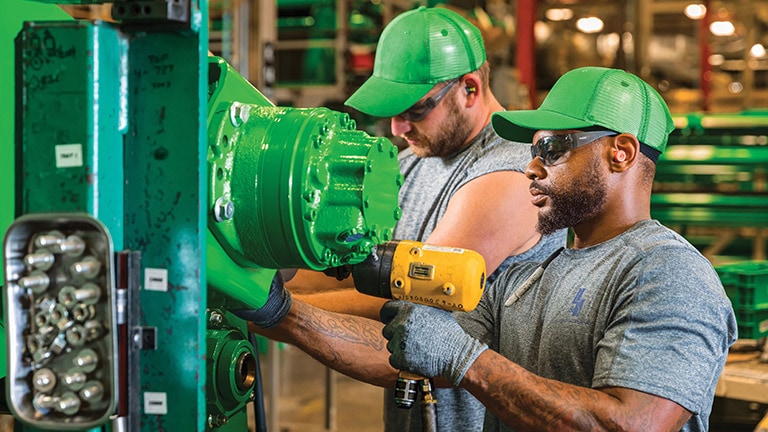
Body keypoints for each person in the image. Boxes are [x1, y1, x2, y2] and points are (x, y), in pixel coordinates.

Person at [239, 66, 738, 432]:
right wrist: (277, 313)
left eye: (551, 148)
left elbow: (632, 425)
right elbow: (409, 354)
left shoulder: (666, 272)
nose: (531, 166)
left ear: (621, 152)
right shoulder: (532, 274)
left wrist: (471, 362)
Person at [283, 6, 566, 432]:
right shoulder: (415, 161)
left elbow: (411, 302)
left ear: (469, 88)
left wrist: (269, 308)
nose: (397, 128)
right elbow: (353, 269)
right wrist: (262, 278)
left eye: (413, 110)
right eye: (390, 113)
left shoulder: (510, 176)